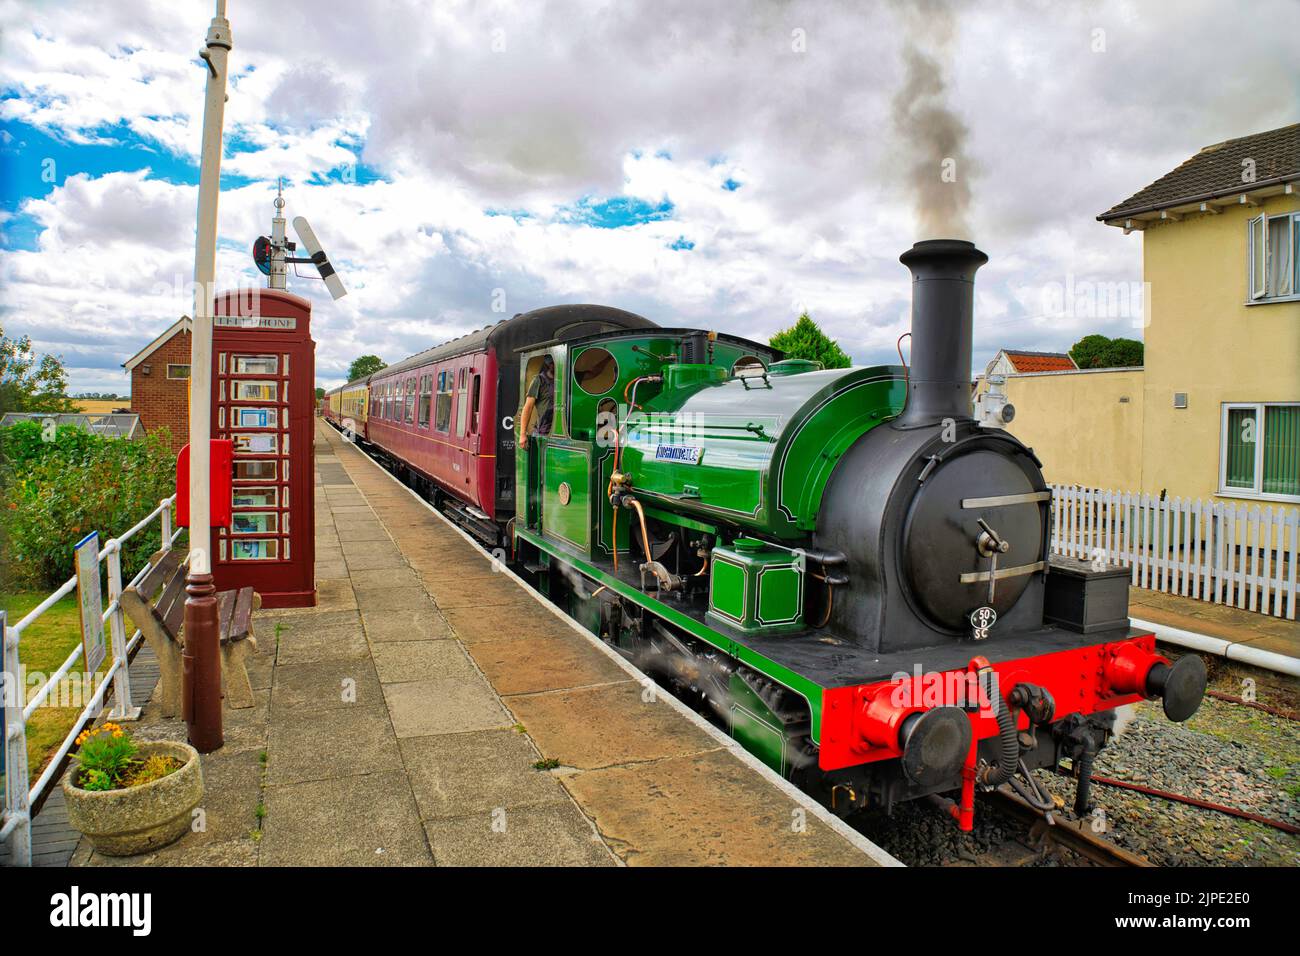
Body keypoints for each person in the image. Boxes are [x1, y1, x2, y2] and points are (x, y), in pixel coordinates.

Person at [519, 354, 555, 438]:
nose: (553, 365)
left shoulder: (565, 379)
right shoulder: (539, 380)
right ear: (547, 364)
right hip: (544, 432)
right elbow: (528, 407)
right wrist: (522, 434)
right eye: (551, 363)